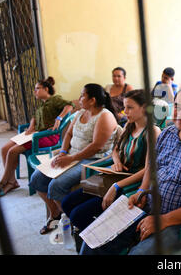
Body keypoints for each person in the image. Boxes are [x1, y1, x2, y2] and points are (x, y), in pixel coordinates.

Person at [80, 86, 181, 255]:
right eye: (178, 106)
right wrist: (142, 190)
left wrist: (165, 220)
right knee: (93, 241)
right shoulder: (168, 133)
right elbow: (152, 166)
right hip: (148, 207)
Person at [62, 89, 161, 232]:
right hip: (116, 176)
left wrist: (116, 186)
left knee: (78, 214)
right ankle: (90, 235)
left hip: (131, 182)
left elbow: (148, 169)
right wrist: (117, 162)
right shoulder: (129, 125)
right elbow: (115, 149)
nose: (125, 111)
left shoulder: (152, 132)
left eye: (130, 107)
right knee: (67, 203)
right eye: (124, 107)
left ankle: (99, 237)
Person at [29, 83, 118, 235]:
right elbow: (68, 134)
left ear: (93, 100)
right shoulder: (80, 113)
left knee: (55, 186)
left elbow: (96, 146)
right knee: (37, 178)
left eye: (83, 95)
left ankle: (73, 221)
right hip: (71, 155)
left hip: (92, 160)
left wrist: (71, 158)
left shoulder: (104, 116)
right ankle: (56, 213)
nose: (79, 98)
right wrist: (63, 152)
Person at [0, 77, 74, 197]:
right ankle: (12, 182)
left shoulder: (55, 99)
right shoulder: (42, 105)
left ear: (46, 89)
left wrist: (59, 118)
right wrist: (31, 126)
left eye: (37, 88)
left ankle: (3, 182)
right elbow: (34, 118)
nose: (34, 91)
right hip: (35, 134)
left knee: (12, 151)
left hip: (47, 137)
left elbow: (70, 105)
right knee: (4, 149)